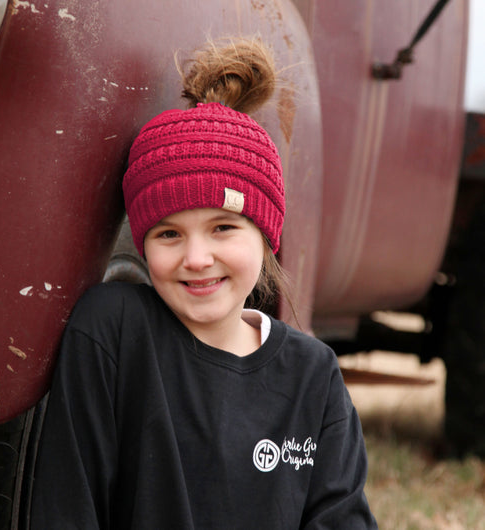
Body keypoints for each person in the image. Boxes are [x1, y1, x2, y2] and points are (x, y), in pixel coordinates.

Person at [30, 37, 377, 529]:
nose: (196, 258)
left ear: (266, 236)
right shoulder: (112, 331)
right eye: (168, 233)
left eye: (223, 228)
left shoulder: (312, 376)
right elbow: (68, 508)